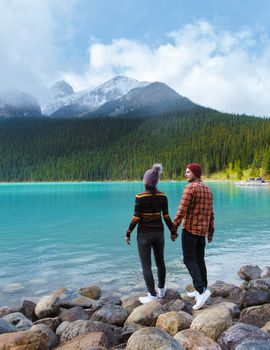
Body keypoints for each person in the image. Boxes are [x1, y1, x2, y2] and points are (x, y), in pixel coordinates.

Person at [125, 164, 177, 304]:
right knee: (160, 262)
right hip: (159, 234)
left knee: (146, 265)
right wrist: (173, 231)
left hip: (144, 235)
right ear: (157, 181)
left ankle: (152, 294)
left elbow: (136, 218)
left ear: (145, 181)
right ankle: (161, 290)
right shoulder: (163, 195)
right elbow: (166, 216)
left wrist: (128, 232)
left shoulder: (140, 196)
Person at [172, 163, 214, 310]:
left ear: (195, 173)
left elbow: (181, 210)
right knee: (200, 259)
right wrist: (210, 231)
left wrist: (174, 227)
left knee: (189, 259)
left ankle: (201, 291)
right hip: (202, 231)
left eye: (188, 172)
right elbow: (211, 213)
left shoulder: (190, 188)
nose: (186, 174)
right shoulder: (208, 190)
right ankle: (202, 289)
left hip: (190, 230)